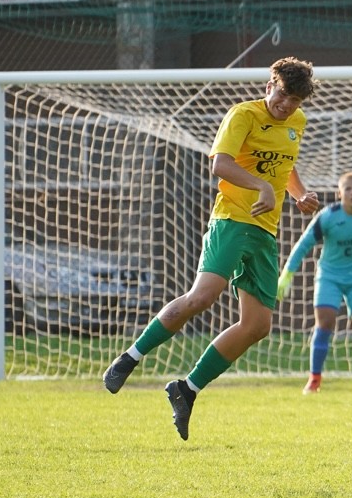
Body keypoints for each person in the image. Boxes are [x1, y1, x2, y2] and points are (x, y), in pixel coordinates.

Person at [103, 56, 320, 441]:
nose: (287, 106)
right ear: (269, 86)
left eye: (295, 101)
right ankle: (129, 358)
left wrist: (300, 194)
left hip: (265, 232)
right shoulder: (243, 115)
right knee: (202, 297)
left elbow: (285, 167)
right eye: (283, 96)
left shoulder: (296, 123)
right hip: (232, 220)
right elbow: (220, 164)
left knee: (258, 326)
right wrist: (262, 186)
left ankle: (187, 389)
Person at [277, 171, 352, 395]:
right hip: (329, 276)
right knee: (325, 322)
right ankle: (314, 380)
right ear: (339, 193)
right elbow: (303, 244)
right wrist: (287, 274)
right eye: (348, 189)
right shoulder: (328, 216)